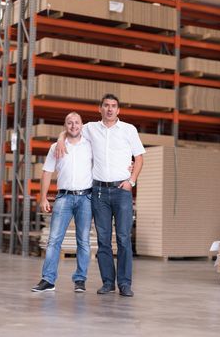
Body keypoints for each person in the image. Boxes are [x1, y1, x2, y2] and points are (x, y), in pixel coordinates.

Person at [56, 94, 145, 297]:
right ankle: (107, 283)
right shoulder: (90, 128)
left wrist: (131, 181)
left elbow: (139, 158)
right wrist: (61, 139)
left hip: (121, 191)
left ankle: (124, 284)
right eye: (106, 106)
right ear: (100, 108)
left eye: (114, 106)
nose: (110, 109)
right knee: (103, 240)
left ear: (118, 110)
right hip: (98, 192)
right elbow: (71, 129)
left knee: (123, 238)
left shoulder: (128, 130)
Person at [31, 112, 93, 293]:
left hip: (86, 198)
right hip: (63, 197)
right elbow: (47, 172)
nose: (73, 126)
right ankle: (48, 280)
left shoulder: (90, 146)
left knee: (83, 241)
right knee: (54, 240)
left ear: (82, 125)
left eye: (76, 123)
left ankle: (80, 280)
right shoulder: (55, 147)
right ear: (65, 126)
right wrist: (43, 197)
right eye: (69, 123)